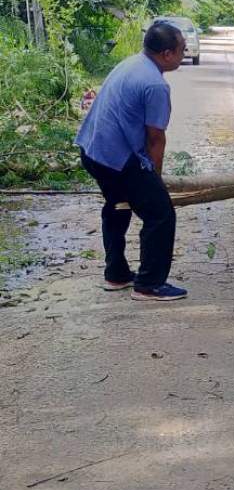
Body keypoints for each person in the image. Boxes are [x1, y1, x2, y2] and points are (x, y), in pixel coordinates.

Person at [76, 19, 189, 303]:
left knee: (118, 205)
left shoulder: (130, 63)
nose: (184, 54)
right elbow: (155, 139)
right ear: (167, 54)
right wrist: (154, 181)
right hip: (116, 158)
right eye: (182, 49)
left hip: (92, 150)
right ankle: (149, 285)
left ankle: (116, 274)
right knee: (160, 213)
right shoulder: (155, 85)